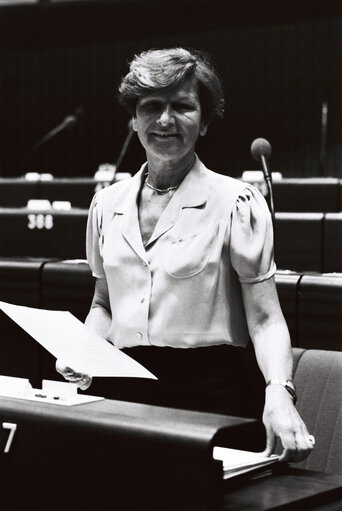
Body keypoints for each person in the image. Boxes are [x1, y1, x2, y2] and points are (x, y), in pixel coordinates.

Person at [57, 47, 314, 463]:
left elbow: (266, 320)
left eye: (182, 106)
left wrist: (279, 392)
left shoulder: (237, 202)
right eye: (152, 106)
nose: (164, 120)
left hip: (213, 396)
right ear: (134, 118)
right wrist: (85, 350)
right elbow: (104, 303)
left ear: (205, 121)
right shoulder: (105, 204)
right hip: (122, 392)